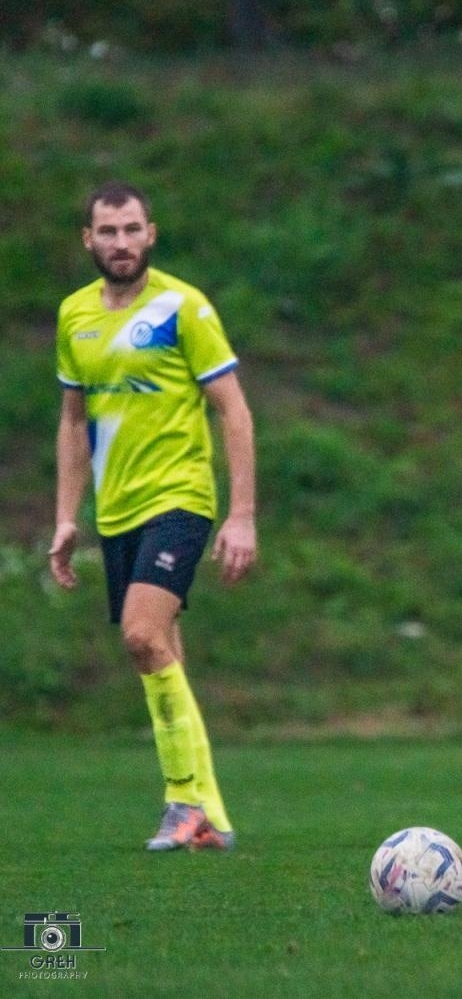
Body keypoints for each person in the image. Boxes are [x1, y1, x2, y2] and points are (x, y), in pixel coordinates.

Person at [51, 182, 258, 851]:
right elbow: (73, 420)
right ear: (88, 239)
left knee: (142, 636)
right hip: (118, 511)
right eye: (107, 231)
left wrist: (242, 514)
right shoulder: (75, 316)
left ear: (152, 233)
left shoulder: (182, 306)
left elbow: (233, 408)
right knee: (163, 652)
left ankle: (179, 803)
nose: (121, 243)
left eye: (132, 229)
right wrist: (66, 516)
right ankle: (211, 818)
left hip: (180, 498)